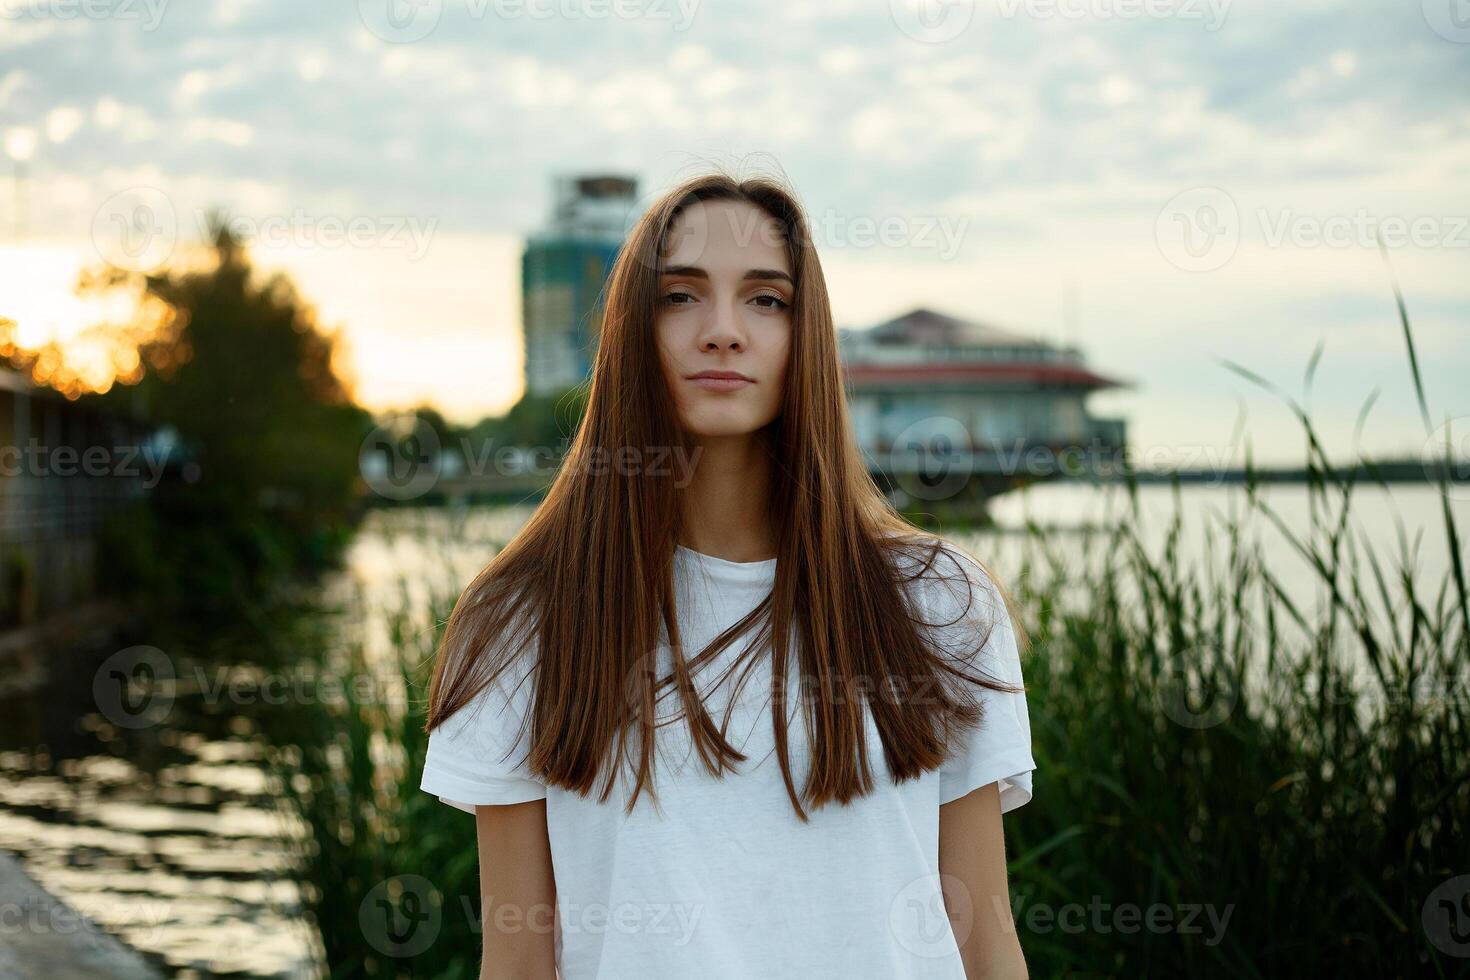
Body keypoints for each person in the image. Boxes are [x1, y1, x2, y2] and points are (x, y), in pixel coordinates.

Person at [420, 169, 1036, 979]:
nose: (722, 331)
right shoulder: (520, 617)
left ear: (803, 333)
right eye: (680, 296)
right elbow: (518, 962)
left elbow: (985, 944)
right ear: (631, 331)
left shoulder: (940, 601)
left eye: (765, 299)